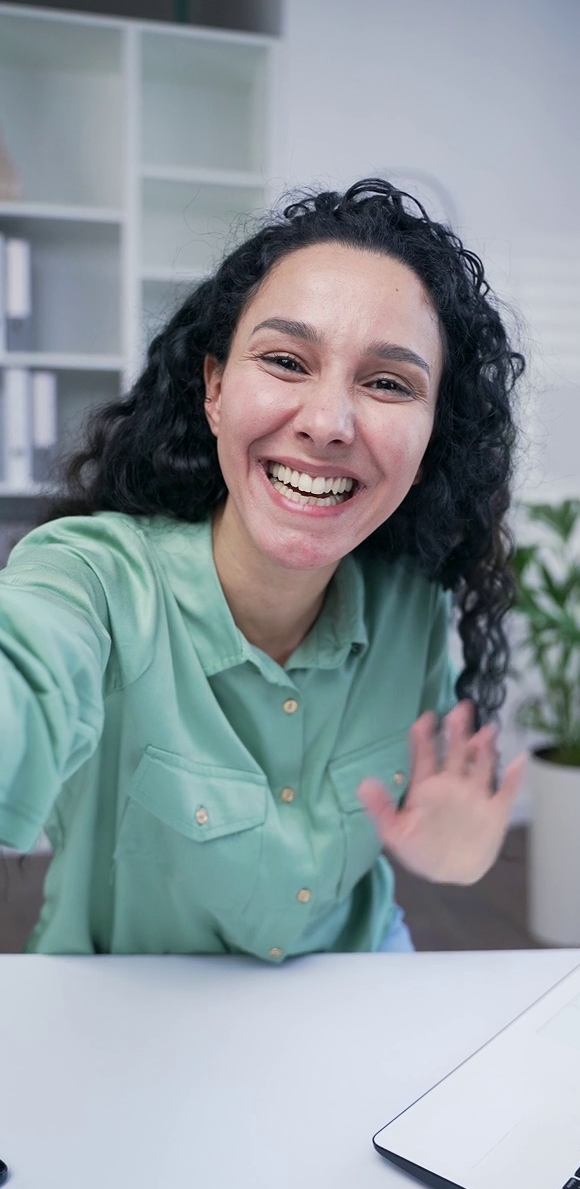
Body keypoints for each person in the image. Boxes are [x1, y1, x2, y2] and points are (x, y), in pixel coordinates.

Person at [0, 178, 526, 959]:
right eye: (286, 360)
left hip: (354, 993)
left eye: (388, 383)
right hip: (129, 1029)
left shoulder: (411, 607)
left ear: (427, 449)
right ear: (215, 389)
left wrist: (454, 854)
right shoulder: (94, 582)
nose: (327, 424)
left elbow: (424, 818)